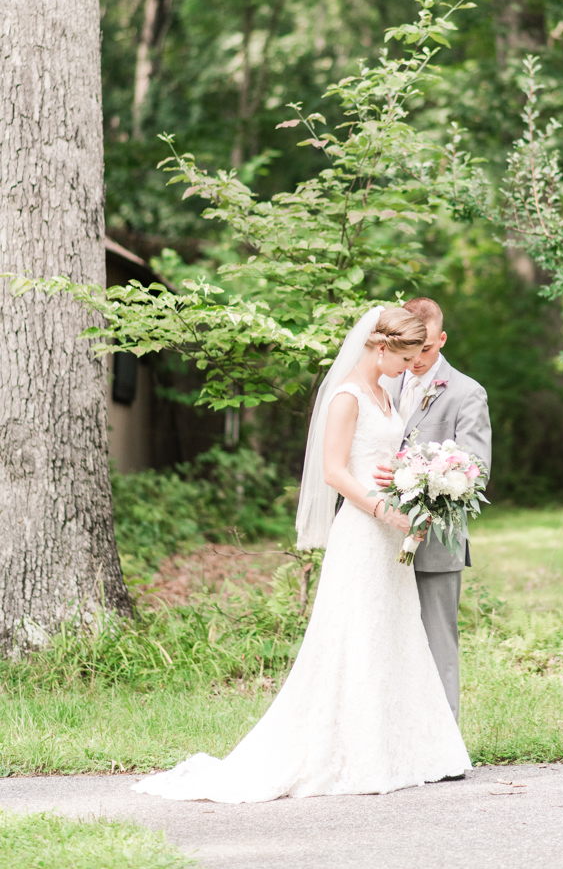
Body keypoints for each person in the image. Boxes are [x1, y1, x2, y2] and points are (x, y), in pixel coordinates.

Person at [132, 307, 470, 804]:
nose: (408, 366)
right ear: (379, 349)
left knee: (392, 636)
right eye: (402, 357)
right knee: (352, 638)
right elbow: (334, 472)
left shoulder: (383, 390)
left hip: (390, 534)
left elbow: (382, 457)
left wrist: (411, 485)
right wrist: (385, 510)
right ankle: (352, 753)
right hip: (363, 531)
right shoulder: (347, 396)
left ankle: (401, 749)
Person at [376, 297, 491, 721]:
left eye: (427, 349)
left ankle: (445, 745)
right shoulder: (383, 384)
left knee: (438, 640)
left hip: (435, 540)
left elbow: (474, 472)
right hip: (379, 535)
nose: (418, 360)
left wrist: (420, 478)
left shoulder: (466, 393)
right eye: (413, 349)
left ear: (441, 339)